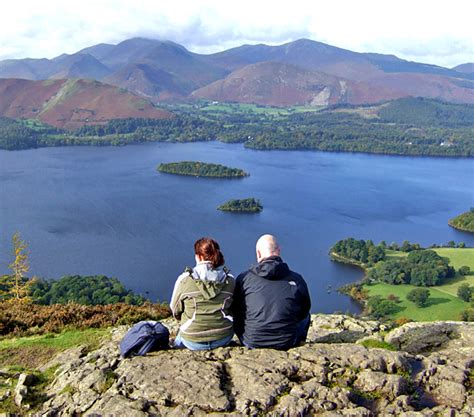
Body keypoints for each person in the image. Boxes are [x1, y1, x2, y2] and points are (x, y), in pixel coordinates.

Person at [233, 234, 311, 350]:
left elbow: (235, 309)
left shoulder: (244, 279)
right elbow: (304, 309)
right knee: (306, 316)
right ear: (278, 251)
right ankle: (298, 342)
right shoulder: (296, 279)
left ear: (258, 254)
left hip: (252, 341)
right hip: (286, 342)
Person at [170, 237, 235, 350]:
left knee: (176, 341)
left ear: (199, 256)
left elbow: (174, 309)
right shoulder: (229, 280)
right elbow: (235, 308)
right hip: (223, 337)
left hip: (192, 339)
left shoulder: (185, 279)